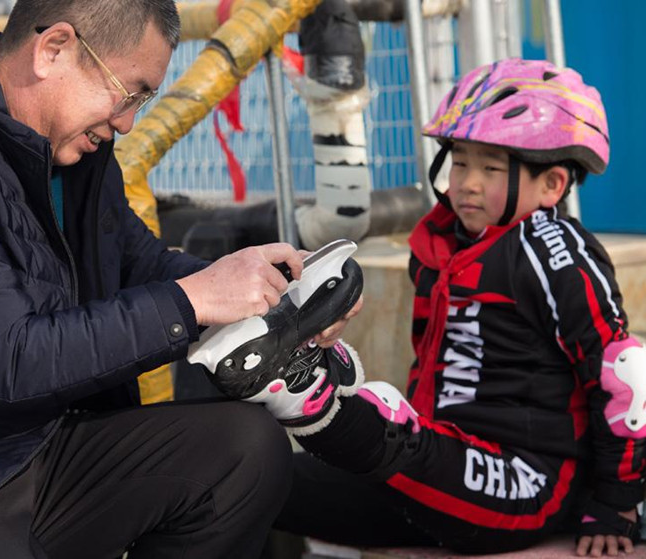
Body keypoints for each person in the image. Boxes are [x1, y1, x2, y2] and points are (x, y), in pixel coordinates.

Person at [0, 1, 359, 558]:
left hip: (39, 443)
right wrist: (195, 299)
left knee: (246, 450)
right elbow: (2, 364)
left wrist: (269, 295)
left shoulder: (76, 149)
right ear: (54, 50)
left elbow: (138, 266)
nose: (127, 123)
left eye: (143, 101)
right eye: (129, 93)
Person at [219, 59, 646, 557]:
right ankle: (312, 390)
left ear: (552, 184)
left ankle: (304, 388)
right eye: (460, 162)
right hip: (442, 470)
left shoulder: (553, 251)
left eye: (490, 168)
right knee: (255, 481)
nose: (467, 182)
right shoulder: (445, 243)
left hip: (528, 483)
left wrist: (616, 503)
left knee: (390, 430)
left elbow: (623, 375)